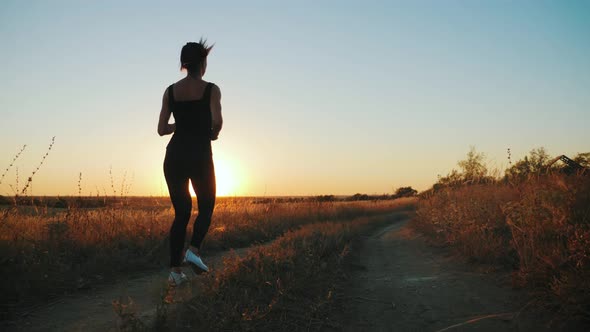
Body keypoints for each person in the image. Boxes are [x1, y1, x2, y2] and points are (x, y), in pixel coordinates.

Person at [157, 39, 223, 286]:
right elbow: (217, 122)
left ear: (183, 64)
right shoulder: (211, 89)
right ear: (203, 63)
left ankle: (175, 272)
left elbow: (162, 129)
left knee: (181, 212)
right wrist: (211, 133)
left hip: (173, 156)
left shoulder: (170, 91)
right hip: (199, 155)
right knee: (206, 205)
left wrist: (181, 124)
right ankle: (193, 251)